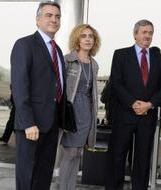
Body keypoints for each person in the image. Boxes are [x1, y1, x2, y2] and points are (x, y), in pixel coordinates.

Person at [105, 19, 161, 190]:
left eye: (150, 33)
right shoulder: (120, 54)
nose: (147, 36)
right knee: (117, 157)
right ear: (135, 34)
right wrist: (133, 103)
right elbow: (116, 83)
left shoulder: (160, 59)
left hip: (147, 116)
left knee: (142, 158)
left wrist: (150, 104)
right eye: (144, 32)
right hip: (124, 114)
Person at [10, 2, 66, 190]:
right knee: (27, 176)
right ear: (37, 19)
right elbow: (19, 87)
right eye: (49, 15)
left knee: (44, 174)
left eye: (57, 16)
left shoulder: (57, 50)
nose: (54, 19)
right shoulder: (24, 44)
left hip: (51, 124)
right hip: (31, 125)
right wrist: (28, 122)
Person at [58, 23, 100, 190]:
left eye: (91, 36)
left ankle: (70, 187)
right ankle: (63, 187)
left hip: (86, 114)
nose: (87, 39)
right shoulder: (68, 60)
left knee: (78, 154)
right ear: (77, 39)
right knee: (69, 153)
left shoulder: (94, 64)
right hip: (70, 113)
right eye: (84, 36)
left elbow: (92, 92)